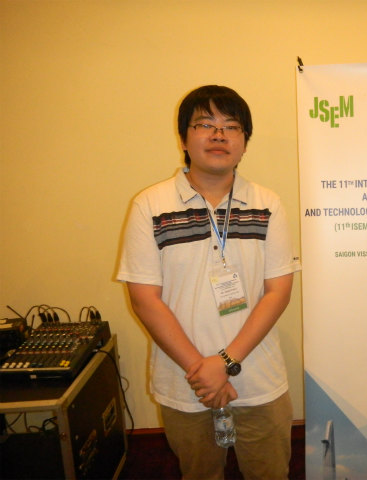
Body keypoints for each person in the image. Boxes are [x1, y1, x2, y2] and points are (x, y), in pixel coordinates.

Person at [117, 85, 301, 480]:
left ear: (244, 142)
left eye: (231, 127)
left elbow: (278, 292)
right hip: (186, 383)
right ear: (183, 139)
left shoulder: (268, 204)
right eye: (205, 124)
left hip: (259, 381)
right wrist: (202, 371)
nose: (219, 135)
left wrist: (225, 362)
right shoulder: (150, 205)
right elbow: (145, 299)